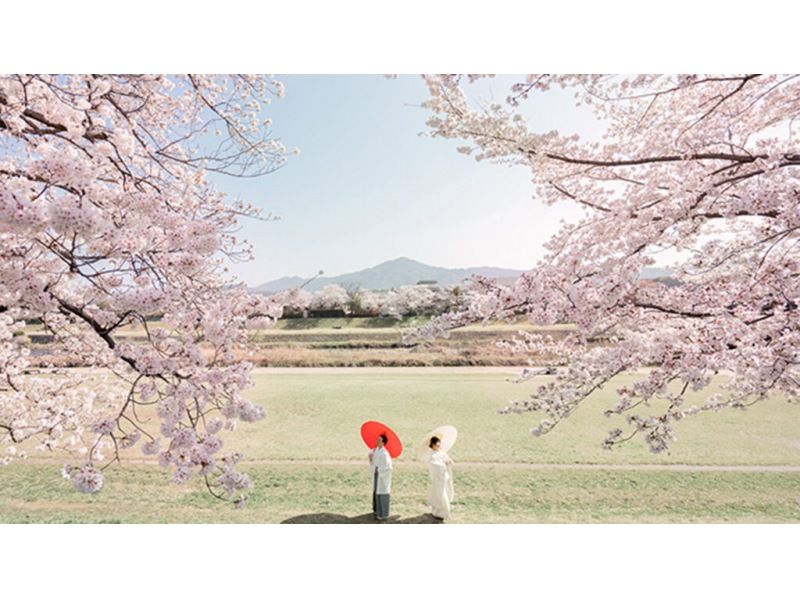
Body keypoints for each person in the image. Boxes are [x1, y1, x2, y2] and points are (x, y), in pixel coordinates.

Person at [427, 435, 454, 521]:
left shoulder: (441, 451)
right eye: (436, 444)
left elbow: (446, 458)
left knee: (445, 491)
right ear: (433, 445)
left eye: (439, 444)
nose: (438, 446)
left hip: (444, 476)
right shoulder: (432, 454)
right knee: (440, 494)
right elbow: (435, 464)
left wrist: (449, 460)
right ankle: (441, 511)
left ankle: (441, 511)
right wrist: (443, 463)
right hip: (438, 478)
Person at [368, 433, 393, 521]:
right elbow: (373, 461)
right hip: (376, 475)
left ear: (383, 443)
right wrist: (371, 458)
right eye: (377, 439)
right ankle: (376, 511)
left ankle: (383, 514)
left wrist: (379, 470)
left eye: (379, 440)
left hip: (382, 477)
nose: (377, 441)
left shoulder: (385, 454)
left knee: (382, 493)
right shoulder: (375, 450)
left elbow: (388, 467)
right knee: (376, 492)